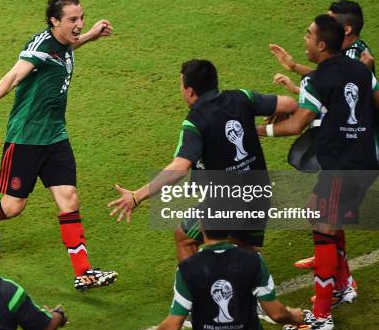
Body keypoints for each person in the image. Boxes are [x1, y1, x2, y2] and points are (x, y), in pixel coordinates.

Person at [0, 0, 117, 290]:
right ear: (54, 21)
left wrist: (91, 34)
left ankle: (83, 272)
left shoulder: (65, 40)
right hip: (25, 138)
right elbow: (14, 75)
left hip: (55, 137)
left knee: (69, 198)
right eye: (73, 19)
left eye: (81, 17)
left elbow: (71, 44)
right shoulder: (41, 45)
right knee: (12, 207)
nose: (78, 23)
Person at [256, 15, 379, 330]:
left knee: (324, 226)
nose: (304, 39)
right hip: (363, 159)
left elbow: (296, 124)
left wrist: (257, 132)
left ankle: (320, 317)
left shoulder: (318, 80)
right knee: (321, 214)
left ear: (321, 44)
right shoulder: (359, 69)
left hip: (344, 166)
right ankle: (343, 286)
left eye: (307, 35)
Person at [107, 59, 297, 260]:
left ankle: (193, 287)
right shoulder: (242, 97)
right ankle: (252, 275)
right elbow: (290, 104)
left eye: (181, 85)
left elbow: (179, 167)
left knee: (185, 238)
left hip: (226, 201)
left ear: (190, 91)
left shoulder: (195, 122)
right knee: (243, 250)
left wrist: (137, 196)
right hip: (259, 195)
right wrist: (274, 119)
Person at [155, 223, 304, 330]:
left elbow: (172, 326)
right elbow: (277, 314)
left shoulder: (187, 269)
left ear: (201, 227)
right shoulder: (254, 260)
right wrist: (294, 317)